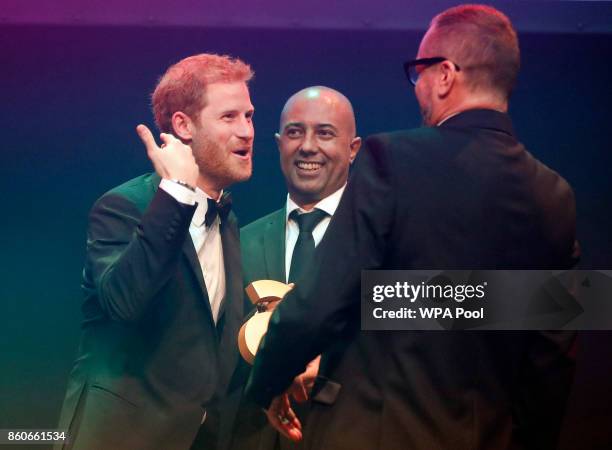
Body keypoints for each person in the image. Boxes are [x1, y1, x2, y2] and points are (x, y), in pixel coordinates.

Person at [246, 5, 579, 450]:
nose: (417, 86)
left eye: (418, 72)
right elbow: (552, 355)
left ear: (444, 75)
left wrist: (266, 382)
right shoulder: (555, 195)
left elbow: (324, 299)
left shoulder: (392, 160)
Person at [55, 53, 255, 450]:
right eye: (229, 117)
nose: (247, 131)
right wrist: (177, 194)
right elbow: (125, 303)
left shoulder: (227, 221)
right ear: (183, 125)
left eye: (249, 116)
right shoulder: (121, 207)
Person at [220, 86, 361, 450]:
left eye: (325, 133)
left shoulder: (381, 242)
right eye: (295, 132)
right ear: (280, 144)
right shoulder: (237, 241)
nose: (308, 146)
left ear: (353, 149)